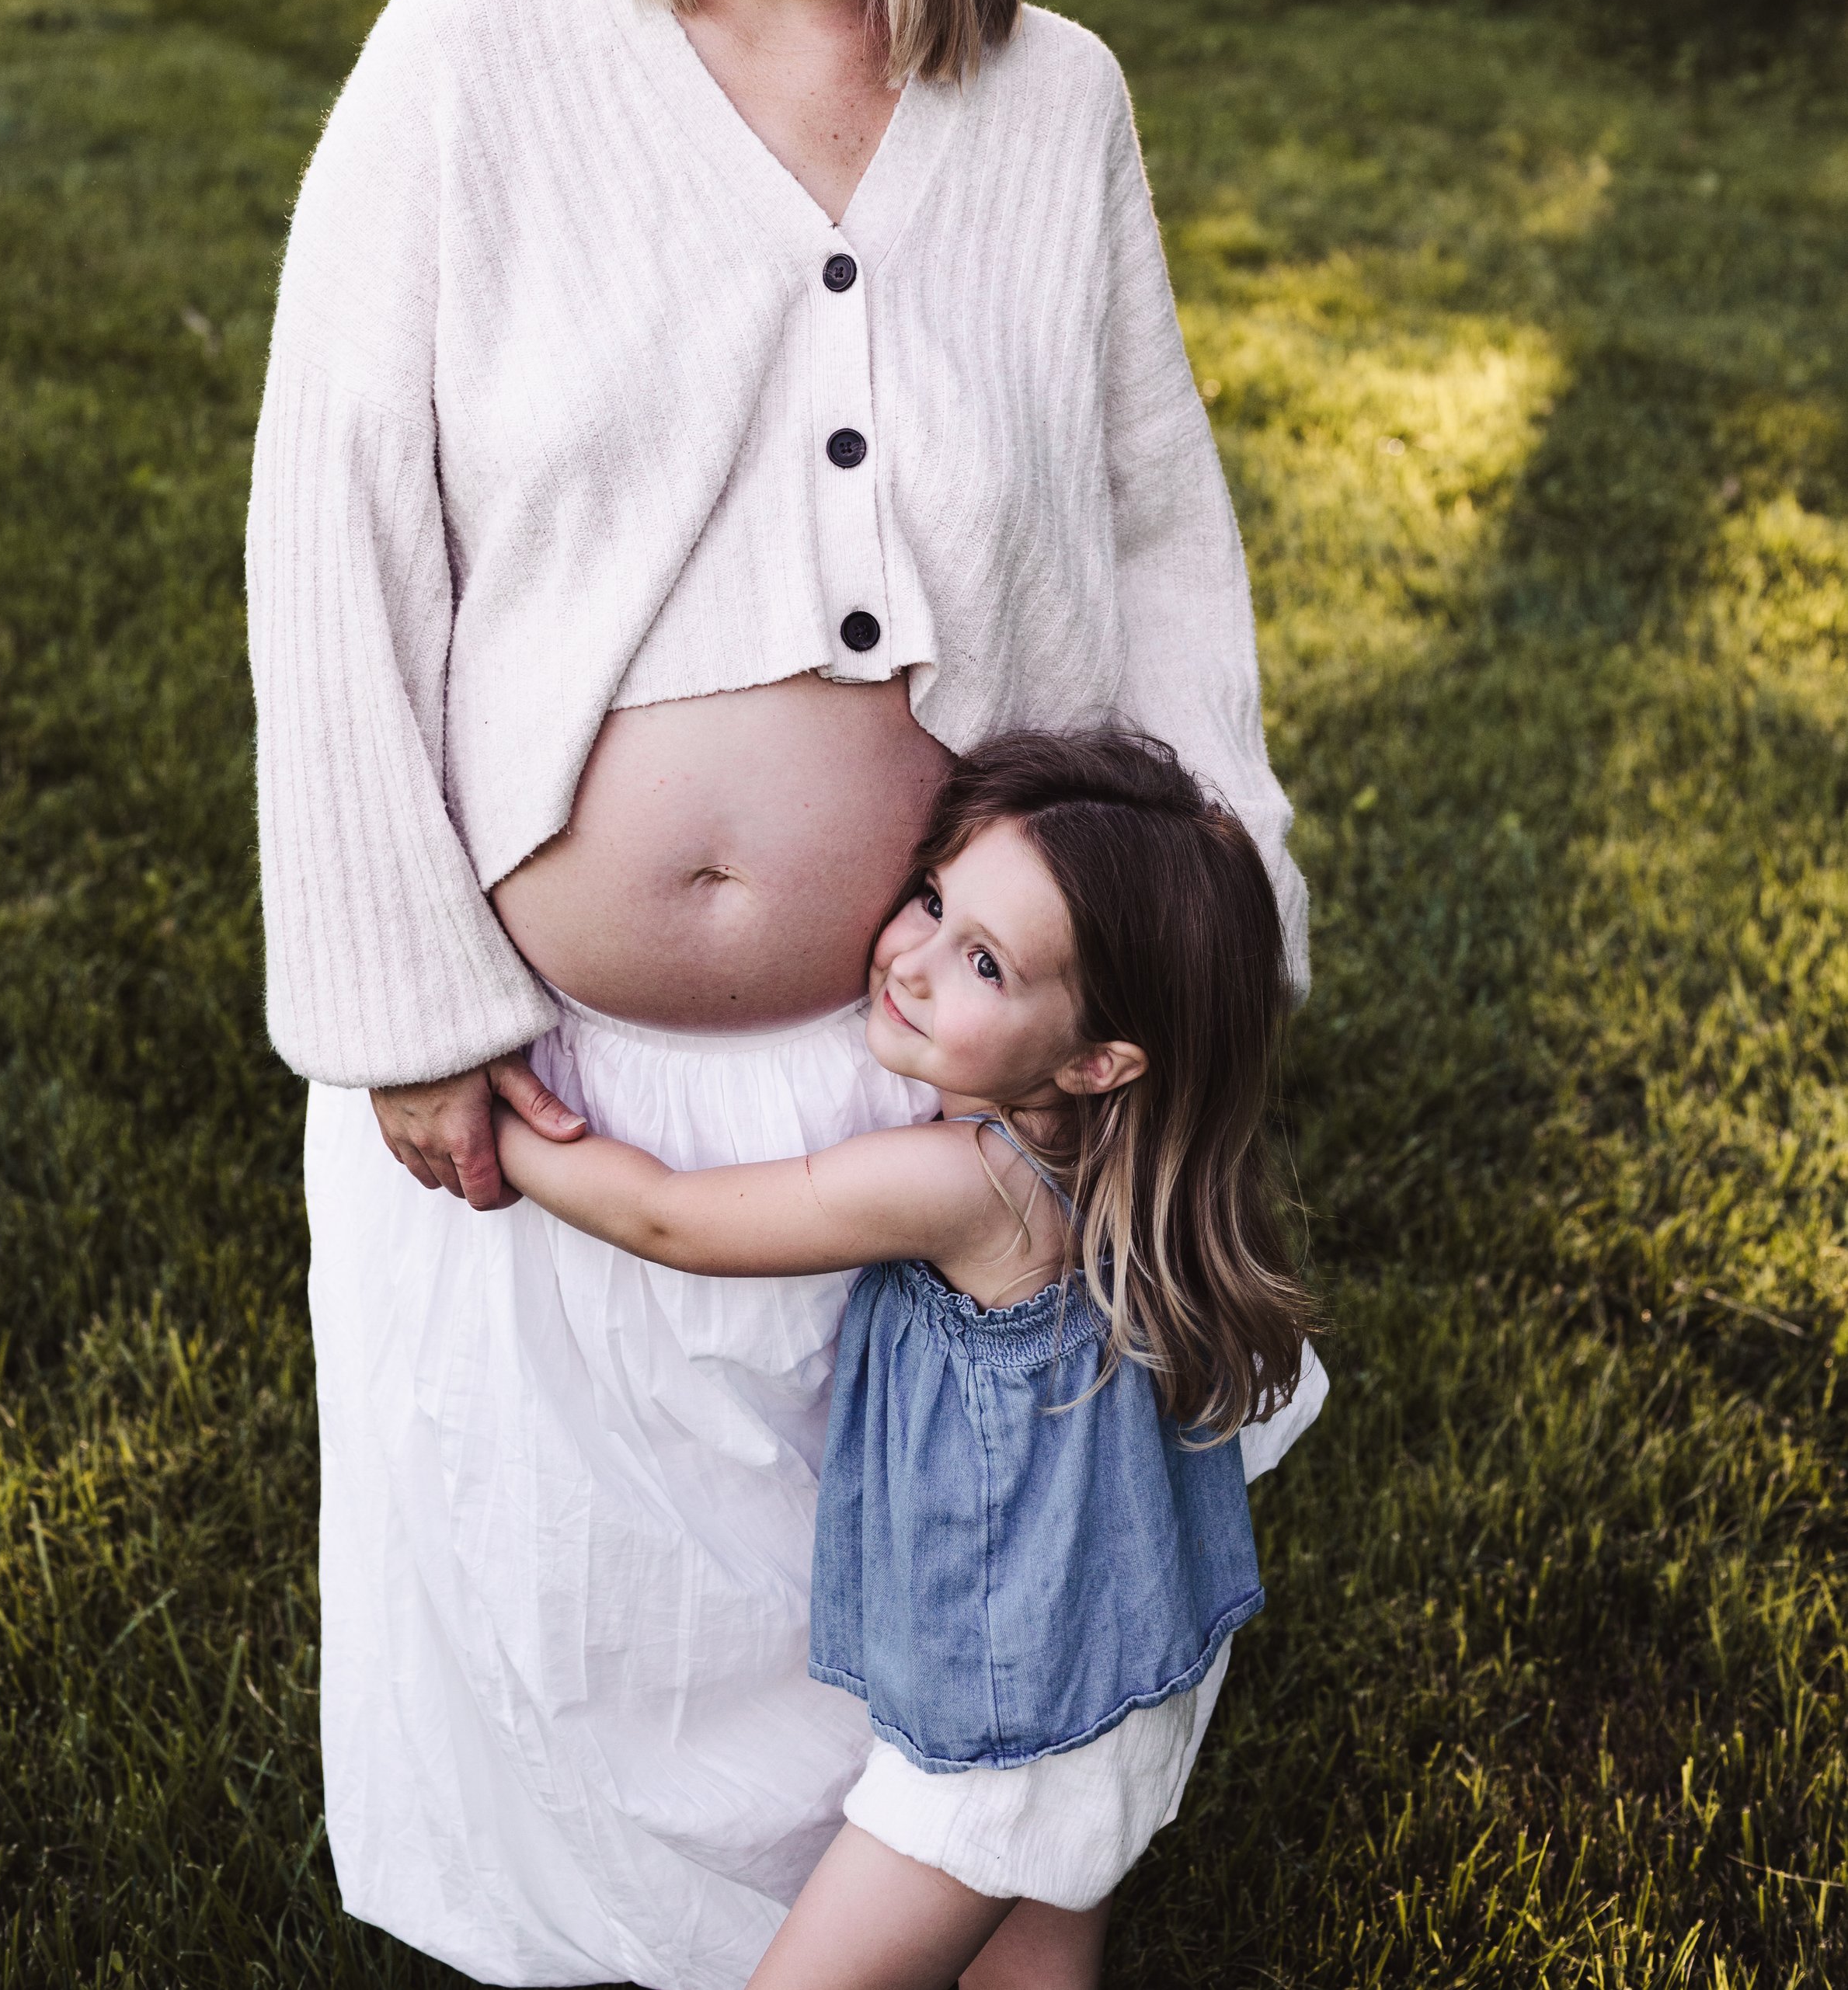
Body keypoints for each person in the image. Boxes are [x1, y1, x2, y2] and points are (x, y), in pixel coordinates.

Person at [246, 0, 1309, 1990]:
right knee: (572, 1616)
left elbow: (1155, 526)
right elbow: (336, 528)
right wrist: (399, 990)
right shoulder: (481, 48)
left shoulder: (1051, 103)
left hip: (910, 1058)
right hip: (551, 1042)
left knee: (920, 1613)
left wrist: (1220, 916)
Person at [496, 731, 1326, 1990]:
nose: (914, 960)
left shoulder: (969, 1183)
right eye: (934, 899)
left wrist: (492, 1120)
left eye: (986, 962)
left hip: (999, 1724)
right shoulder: (1116, 1171)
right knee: (1029, 1971)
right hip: (1115, 1673)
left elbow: (669, 1216)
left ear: (1095, 1059)